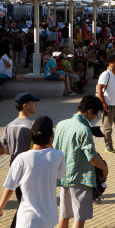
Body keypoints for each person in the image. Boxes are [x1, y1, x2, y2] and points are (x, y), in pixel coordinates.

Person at [0, 116, 66, 228]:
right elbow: (61, 175)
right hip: (49, 218)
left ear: (31, 132)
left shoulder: (21, 158)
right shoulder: (58, 155)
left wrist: (1, 207)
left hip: (27, 220)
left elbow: (10, 187)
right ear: (52, 135)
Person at [53, 95, 109, 228]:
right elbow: (92, 157)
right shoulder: (84, 130)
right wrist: (105, 168)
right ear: (89, 111)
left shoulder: (61, 124)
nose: (93, 119)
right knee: (79, 218)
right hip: (81, 178)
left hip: (64, 176)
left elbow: (54, 148)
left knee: (64, 216)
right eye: (95, 116)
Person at [0, 93, 39, 228]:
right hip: (31, 172)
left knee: (23, 204)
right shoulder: (34, 126)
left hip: (14, 171)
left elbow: (4, 151)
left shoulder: (9, 126)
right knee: (27, 207)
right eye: (33, 102)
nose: (36, 104)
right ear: (25, 105)